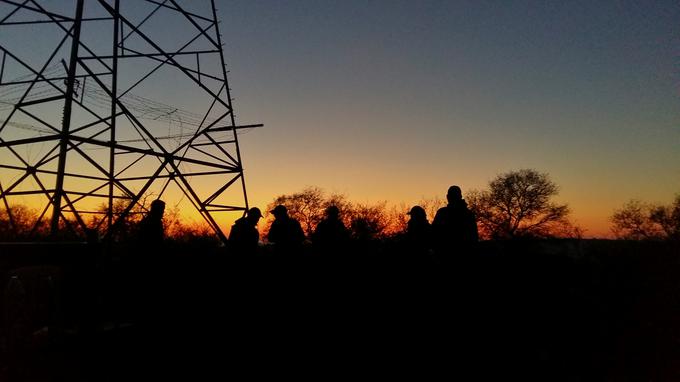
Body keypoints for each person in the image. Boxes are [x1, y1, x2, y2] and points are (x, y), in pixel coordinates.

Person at [432, 185, 478, 257]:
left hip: (449, 254)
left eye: (452, 195)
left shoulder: (442, 213)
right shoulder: (469, 214)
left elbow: (434, 233)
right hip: (461, 253)